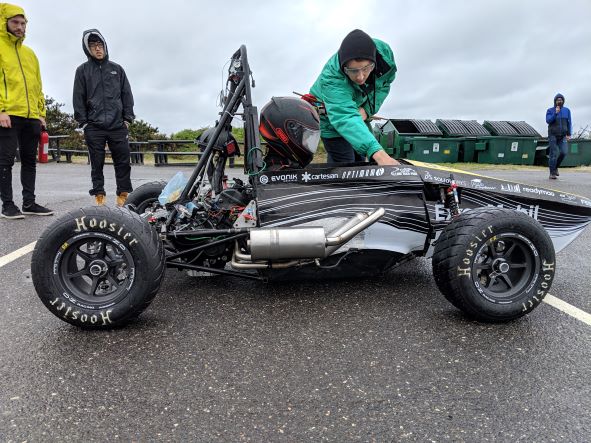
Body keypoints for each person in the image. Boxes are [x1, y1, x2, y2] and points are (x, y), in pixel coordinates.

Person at [310, 29, 399, 166]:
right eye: (353, 71)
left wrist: (367, 110)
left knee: (360, 161)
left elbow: (384, 84)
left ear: (374, 62)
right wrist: (380, 155)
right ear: (344, 67)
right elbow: (344, 117)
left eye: (365, 68)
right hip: (332, 120)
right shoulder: (332, 78)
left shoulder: (384, 55)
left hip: (358, 113)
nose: (360, 77)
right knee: (345, 164)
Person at [0, 3, 53, 219]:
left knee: (30, 161)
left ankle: (29, 203)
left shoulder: (30, 54)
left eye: (23, 23)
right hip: (8, 114)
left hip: (31, 116)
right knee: (6, 160)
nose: (20, 27)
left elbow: (37, 86)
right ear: (4, 22)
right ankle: (8, 205)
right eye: (15, 22)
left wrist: (41, 113)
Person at [73, 29, 135, 206]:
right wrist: (83, 122)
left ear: (105, 46)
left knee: (123, 160)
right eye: (93, 46)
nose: (97, 49)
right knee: (97, 163)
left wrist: (127, 118)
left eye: (100, 45)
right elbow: (78, 97)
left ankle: (123, 195)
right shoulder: (82, 71)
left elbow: (127, 94)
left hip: (117, 125)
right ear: (87, 49)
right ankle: (99, 195)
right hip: (94, 125)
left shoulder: (117, 69)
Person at [546, 93, 572, 180]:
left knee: (564, 152)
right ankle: (552, 173)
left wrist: (569, 134)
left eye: (561, 100)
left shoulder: (567, 110)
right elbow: (548, 121)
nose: (559, 101)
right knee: (553, 154)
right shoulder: (550, 110)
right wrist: (556, 113)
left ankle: (555, 167)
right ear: (555, 101)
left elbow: (569, 123)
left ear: (563, 101)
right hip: (552, 135)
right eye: (558, 100)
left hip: (563, 136)